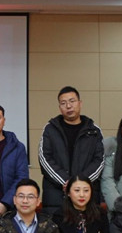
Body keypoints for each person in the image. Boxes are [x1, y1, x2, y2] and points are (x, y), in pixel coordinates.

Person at [39, 86, 104, 216]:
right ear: (59, 107)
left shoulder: (93, 130)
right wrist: (66, 182)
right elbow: (44, 159)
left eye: (72, 101)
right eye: (63, 103)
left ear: (80, 103)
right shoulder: (50, 129)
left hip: (86, 196)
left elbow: (99, 161)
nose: (68, 106)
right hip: (56, 196)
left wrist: (80, 184)